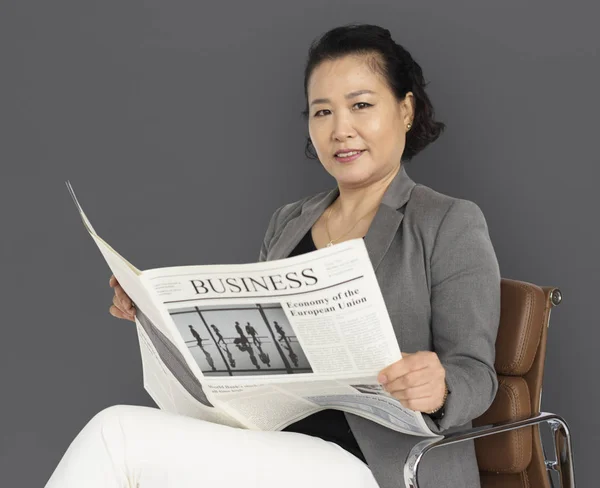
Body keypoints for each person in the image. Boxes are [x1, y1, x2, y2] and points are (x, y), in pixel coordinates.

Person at [46, 23, 500, 488]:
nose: (341, 129)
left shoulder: (448, 221)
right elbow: (248, 360)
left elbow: (478, 375)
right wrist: (154, 314)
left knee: (116, 434)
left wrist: (440, 387)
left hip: (378, 467)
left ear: (405, 110)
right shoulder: (289, 223)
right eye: (322, 112)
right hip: (271, 447)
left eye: (361, 105)